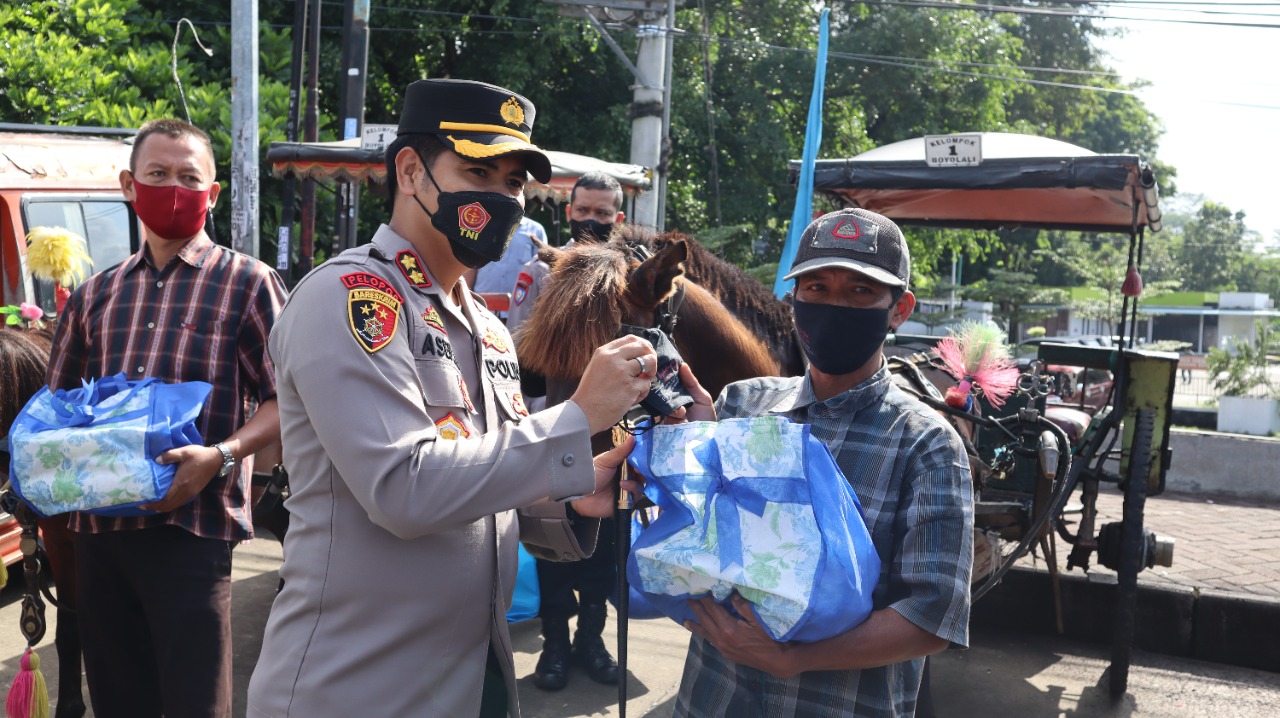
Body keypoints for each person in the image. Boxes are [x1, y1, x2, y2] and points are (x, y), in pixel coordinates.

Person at [246, 78, 656, 718]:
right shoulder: (353, 297)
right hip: (359, 687)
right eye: (478, 171)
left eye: (514, 182)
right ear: (411, 171)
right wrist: (577, 417)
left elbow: (489, 489)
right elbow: (404, 489)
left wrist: (576, 490)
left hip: (473, 675)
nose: (501, 198)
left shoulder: (489, 328)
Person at [671, 208, 974, 718]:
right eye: (816, 287)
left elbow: (930, 616)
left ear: (899, 309)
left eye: (860, 291)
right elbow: (692, 544)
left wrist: (796, 659)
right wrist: (679, 453)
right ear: (794, 301)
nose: (834, 304)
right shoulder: (740, 405)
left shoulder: (928, 446)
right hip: (713, 697)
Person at [45, 118, 287, 718]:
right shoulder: (95, 294)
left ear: (214, 192)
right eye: (157, 175)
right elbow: (57, 409)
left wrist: (223, 456)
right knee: (119, 701)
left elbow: (293, 400)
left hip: (193, 534)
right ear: (130, 185)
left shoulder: (248, 283)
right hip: (100, 537)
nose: (173, 188)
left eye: (188, 177)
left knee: (194, 704)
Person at [506, 170, 625, 336]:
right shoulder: (540, 269)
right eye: (582, 210)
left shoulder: (627, 274)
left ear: (618, 221)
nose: (590, 220)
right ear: (569, 213)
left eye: (602, 213)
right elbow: (516, 334)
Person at [468, 214, 548, 320]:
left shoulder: (536, 230)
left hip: (519, 316)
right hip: (480, 310)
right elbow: (469, 267)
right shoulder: (481, 226)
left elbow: (541, 272)